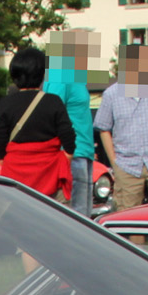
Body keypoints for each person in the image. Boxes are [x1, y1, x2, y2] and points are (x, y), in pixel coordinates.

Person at [95, 44, 148, 208]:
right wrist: (115, 161)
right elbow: (104, 128)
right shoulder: (111, 94)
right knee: (128, 219)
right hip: (126, 164)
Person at [0, 45, 75, 202]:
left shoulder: (6, 103)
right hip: (50, 176)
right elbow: (69, 138)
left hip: (16, 177)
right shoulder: (53, 101)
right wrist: (62, 160)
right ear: (42, 74)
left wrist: (10, 161)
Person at [44, 30, 100, 213]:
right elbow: (51, 111)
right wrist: (66, 153)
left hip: (83, 152)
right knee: (77, 216)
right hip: (71, 155)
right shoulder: (61, 75)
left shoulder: (76, 76)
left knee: (84, 215)